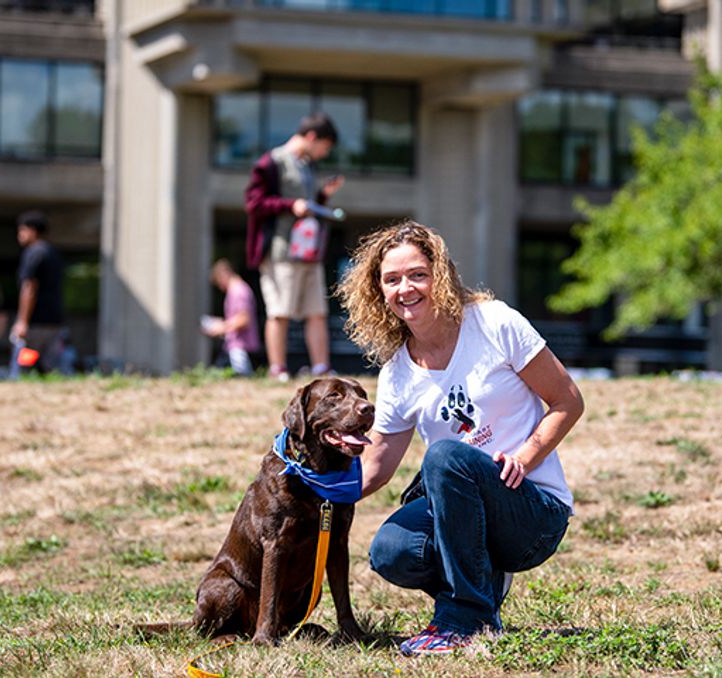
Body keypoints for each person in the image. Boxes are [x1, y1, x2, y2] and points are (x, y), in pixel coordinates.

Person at [335, 221, 583, 656]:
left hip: (531, 512)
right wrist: (311, 489)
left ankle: (464, 620)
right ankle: (483, 590)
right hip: (462, 512)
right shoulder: (398, 371)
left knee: (446, 456)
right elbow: (375, 466)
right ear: (378, 292)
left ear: (440, 275)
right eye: (391, 280)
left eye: (417, 274)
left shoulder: (494, 323)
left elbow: (567, 401)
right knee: (391, 550)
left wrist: (525, 457)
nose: (405, 288)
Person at [244, 112, 345, 382]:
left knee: (316, 310)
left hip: (309, 251)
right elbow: (254, 203)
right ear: (312, 137)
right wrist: (290, 206)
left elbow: (308, 204)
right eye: (324, 147)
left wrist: (324, 195)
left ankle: (321, 367)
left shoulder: (307, 165)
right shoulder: (271, 162)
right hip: (280, 250)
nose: (324, 153)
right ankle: (278, 369)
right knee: (280, 311)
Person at [12, 210, 66, 374]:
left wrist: (22, 321)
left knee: (25, 365)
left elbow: (29, 287)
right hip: (54, 320)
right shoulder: (53, 253)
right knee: (49, 368)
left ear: (32, 230)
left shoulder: (33, 253)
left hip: (35, 322)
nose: (19, 235)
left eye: (22, 230)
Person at [202, 258, 260, 376]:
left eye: (218, 281)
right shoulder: (237, 290)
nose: (220, 287)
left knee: (241, 378)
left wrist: (221, 327)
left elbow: (244, 319)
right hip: (235, 346)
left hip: (241, 348)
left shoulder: (239, 291)